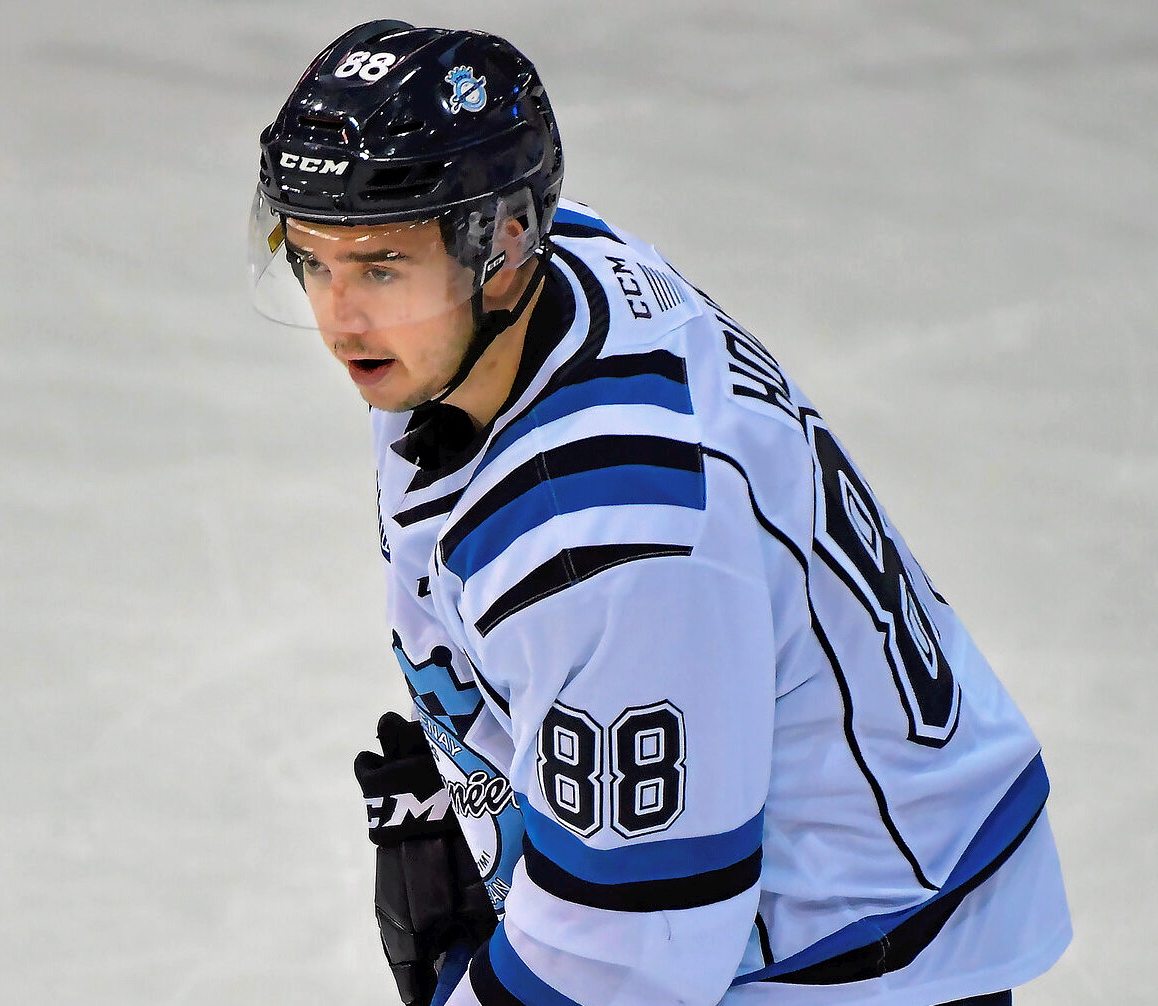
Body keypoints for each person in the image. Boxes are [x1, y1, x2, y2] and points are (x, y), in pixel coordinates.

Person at [247, 20, 1071, 1006]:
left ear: (502, 245)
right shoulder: (552, 280)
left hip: (848, 955)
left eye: (380, 267)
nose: (339, 318)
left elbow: (629, 953)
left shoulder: (606, 543)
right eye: (313, 262)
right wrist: (494, 795)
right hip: (842, 865)